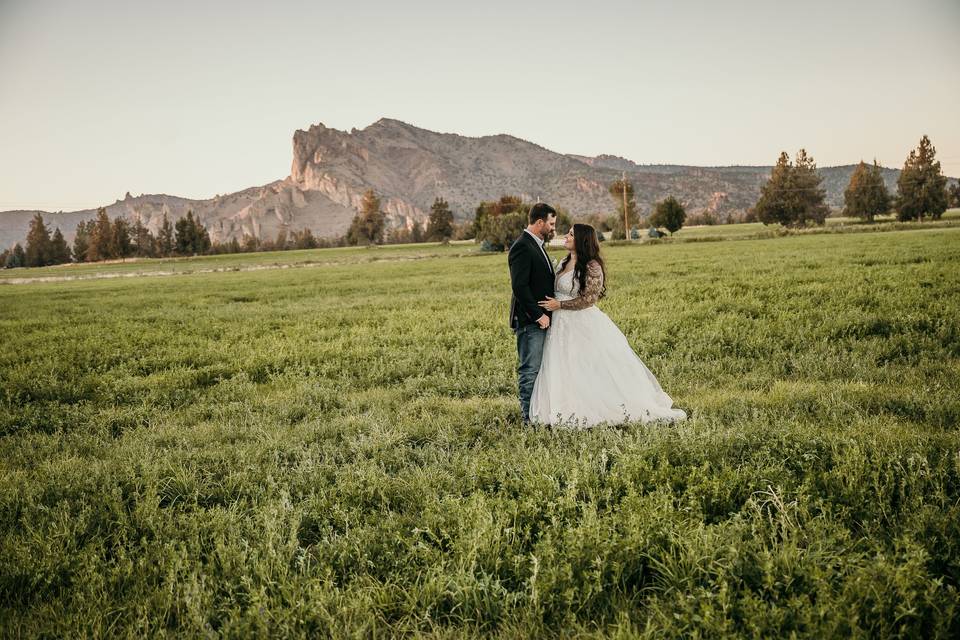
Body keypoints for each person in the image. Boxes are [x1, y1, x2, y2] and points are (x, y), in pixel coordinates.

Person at [529, 223, 687, 427]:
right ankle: (562, 407)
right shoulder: (564, 261)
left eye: (570, 234)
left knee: (585, 366)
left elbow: (589, 299)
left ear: (582, 240)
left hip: (580, 323)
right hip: (559, 325)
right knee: (562, 365)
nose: (566, 237)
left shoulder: (592, 266)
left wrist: (559, 304)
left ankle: (597, 407)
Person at [507, 203, 557, 424]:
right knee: (529, 370)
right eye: (551, 223)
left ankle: (538, 414)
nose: (553, 228)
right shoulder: (522, 246)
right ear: (540, 223)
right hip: (530, 321)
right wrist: (538, 315)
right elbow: (519, 286)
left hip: (540, 321)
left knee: (538, 369)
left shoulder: (537, 244)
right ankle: (528, 420)